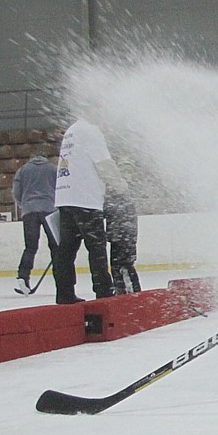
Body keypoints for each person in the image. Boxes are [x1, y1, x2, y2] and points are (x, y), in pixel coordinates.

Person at [53, 118, 128, 304]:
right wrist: (121, 186)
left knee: (66, 250)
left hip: (65, 197)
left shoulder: (72, 130)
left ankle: (64, 293)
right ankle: (103, 291)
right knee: (96, 248)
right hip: (85, 199)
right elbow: (104, 164)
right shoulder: (91, 131)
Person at [12, 144, 58, 294]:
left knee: (30, 247)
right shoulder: (53, 169)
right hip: (50, 210)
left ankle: (23, 276)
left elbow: (16, 192)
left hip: (29, 211)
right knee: (56, 246)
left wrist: (23, 204)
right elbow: (60, 188)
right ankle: (62, 278)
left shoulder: (23, 170)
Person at [104, 160, 141, 294]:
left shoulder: (114, 189)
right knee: (125, 264)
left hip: (119, 233)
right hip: (125, 233)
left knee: (120, 264)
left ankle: (124, 289)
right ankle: (129, 290)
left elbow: (108, 209)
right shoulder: (128, 189)